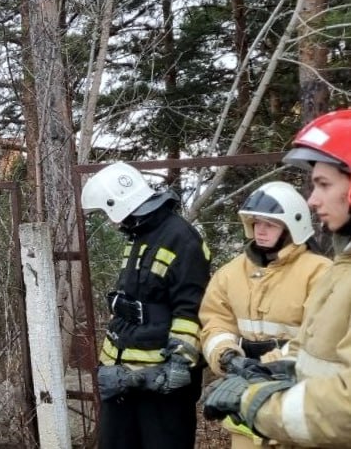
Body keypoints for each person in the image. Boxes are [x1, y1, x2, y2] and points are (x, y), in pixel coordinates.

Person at [203, 109, 351, 447]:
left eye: (323, 184)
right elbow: (311, 350)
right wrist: (243, 365)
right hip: (281, 421)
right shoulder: (341, 270)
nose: (313, 200)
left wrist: (254, 401)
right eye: (256, 223)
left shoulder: (319, 269)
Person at [81, 162, 211, 449]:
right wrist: (109, 363)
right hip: (122, 379)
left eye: (107, 212)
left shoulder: (181, 238)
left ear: (118, 204)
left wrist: (180, 363)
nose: (111, 222)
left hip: (163, 384)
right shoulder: (139, 235)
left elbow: (192, 307)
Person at [199, 181, 330, 448]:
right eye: (256, 222)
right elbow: (215, 321)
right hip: (243, 397)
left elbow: (323, 335)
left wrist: (271, 366)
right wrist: (226, 355)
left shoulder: (320, 272)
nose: (260, 230)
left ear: (292, 226)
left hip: (295, 396)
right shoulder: (230, 273)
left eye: (270, 224)